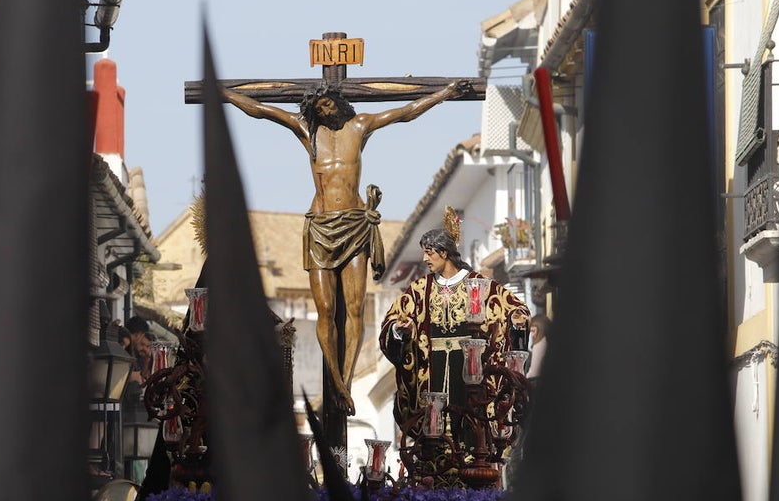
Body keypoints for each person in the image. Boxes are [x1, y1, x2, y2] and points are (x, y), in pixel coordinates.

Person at [222, 79, 470, 415]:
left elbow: (405, 112)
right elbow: (262, 111)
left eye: (329, 104)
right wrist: (222, 94)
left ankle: (347, 382)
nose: (326, 111)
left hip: (354, 225)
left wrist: (444, 93)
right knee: (325, 309)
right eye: (319, 108)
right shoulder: (307, 133)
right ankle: (335, 381)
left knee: (353, 309)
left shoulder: (360, 126)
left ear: (339, 102)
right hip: (321, 226)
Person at [379, 208, 529, 442]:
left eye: (429, 253)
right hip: (432, 369)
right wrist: (400, 331)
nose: (425, 259)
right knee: (434, 429)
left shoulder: (480, 285)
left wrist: (517, 319)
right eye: (424, 253)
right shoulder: (419, 290)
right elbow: (393, 321)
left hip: (469, 366)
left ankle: (471, 449)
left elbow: (513, 308)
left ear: (445, 252)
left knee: (471, 422)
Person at [527, 312, 550, 382]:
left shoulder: (539, 345)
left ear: (541, 329)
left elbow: (533, 373)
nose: (532, 335)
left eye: (533, 331)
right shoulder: (549, 341)